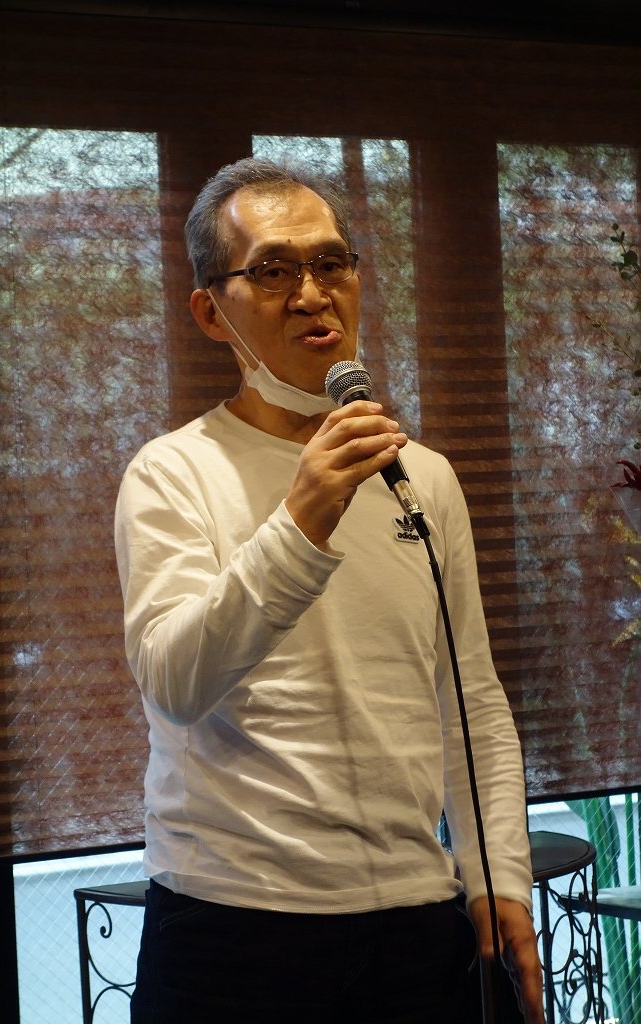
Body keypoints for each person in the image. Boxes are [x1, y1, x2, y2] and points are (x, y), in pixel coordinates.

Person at [114, 156, 544, 1023]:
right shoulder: (171, 473)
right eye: (273, 270)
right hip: (230, 923)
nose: (312, 294)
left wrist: (498, 870)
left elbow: (470, 697)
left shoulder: (422, 475)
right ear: (211, 311)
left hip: (414, 917)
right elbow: (175, 682)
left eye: (331, 263)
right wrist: (302, 515)